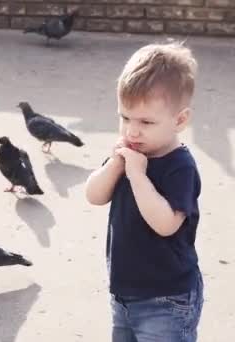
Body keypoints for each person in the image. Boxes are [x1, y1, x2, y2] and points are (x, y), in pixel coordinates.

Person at [84, 41, 204, 342]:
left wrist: (137, 175)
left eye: (146, 122)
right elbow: (94, 195)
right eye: (125, 117)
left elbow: (166, 224)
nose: (131, 131)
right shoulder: (128, 151)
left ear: (179, 121)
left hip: (166, 299)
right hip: (124, 291)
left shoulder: (180, 166)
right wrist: (114, 165)